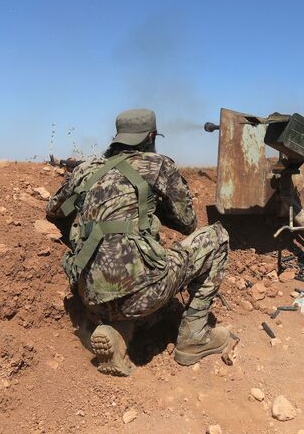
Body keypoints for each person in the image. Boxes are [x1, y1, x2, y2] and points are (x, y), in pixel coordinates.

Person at [46, 108, 233, 376]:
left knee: (132, 283)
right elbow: (187, 223)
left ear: (117, 138)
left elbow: (55, 210)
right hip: (142, 293)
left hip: (91, 294)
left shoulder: (87, 170)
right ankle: (194, 337)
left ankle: (117, 333)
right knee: (217, 237)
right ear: (152, 136)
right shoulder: (157, 166)